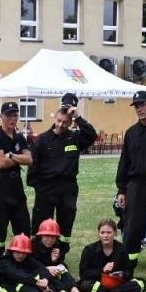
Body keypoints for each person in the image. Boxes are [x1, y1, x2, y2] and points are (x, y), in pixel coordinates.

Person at [30, 95, 96, 240]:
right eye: (59, 121)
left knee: (66, 222)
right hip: (46, 187)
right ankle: (38, 253)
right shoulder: (43, 139)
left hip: (68, 187)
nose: (61, 125)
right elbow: (33, 166)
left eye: (65, 122)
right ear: (55, 118)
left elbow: (91, 136)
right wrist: (38, 187)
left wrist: (78, 117)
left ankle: (61, 253)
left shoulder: (75, 138)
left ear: (71, 122)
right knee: (41, 222)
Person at [115, 91, 146, 260]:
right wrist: (122, 190)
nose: (139, 109)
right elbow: (124, 162)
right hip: (136, 184)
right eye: (136, 106)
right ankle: (128, 267)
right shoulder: (131, 133)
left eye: (142, 104)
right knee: (132, 227)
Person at [0, 100, 33, 252]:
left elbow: (30, 160)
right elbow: (1, 163)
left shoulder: (19, 137)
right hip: (0, 186)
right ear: (1, 117)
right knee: (0, 229)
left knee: (24, 227)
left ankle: (23, 258)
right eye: (8, 115)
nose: (12, 119)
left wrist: (11, 155)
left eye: (15, 115)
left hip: (16, 187)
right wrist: (18, 158)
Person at [78, 218, 146, 292]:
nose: (105, 235)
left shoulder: (122, 249)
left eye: (109, 232)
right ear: (98, 234)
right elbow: (83, 274)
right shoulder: (89, 250)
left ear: (115, 233)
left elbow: (129, 271)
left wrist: (121, 274)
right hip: (98, 284)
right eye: (102, 232)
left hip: (117, 283)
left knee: (142, 282)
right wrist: (102, 270)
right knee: (85, 285)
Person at [0, 232, 64, 292]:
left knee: (41, 276)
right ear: (12, 250)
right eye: (18, 252)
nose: (21, 255)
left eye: (24, 252)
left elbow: (41, 268)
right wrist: (37, 282)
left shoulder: (27, 258)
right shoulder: (4, 262)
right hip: (10, 286)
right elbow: (17, 275)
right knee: (24, 285)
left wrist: (45, 279)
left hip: (29, 282)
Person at [31, 218, 79, 292]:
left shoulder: (56, 245)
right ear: (41, 235)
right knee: (50, 274)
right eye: (47, 236)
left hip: (52, 270)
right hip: (37, 273)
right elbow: (29, 266)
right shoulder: (32, 246)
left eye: (53, 237)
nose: (50, 240)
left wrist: (54, 260)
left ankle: (74, 290)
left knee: (62, 268)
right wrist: (46, 268)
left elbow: (62, 264)